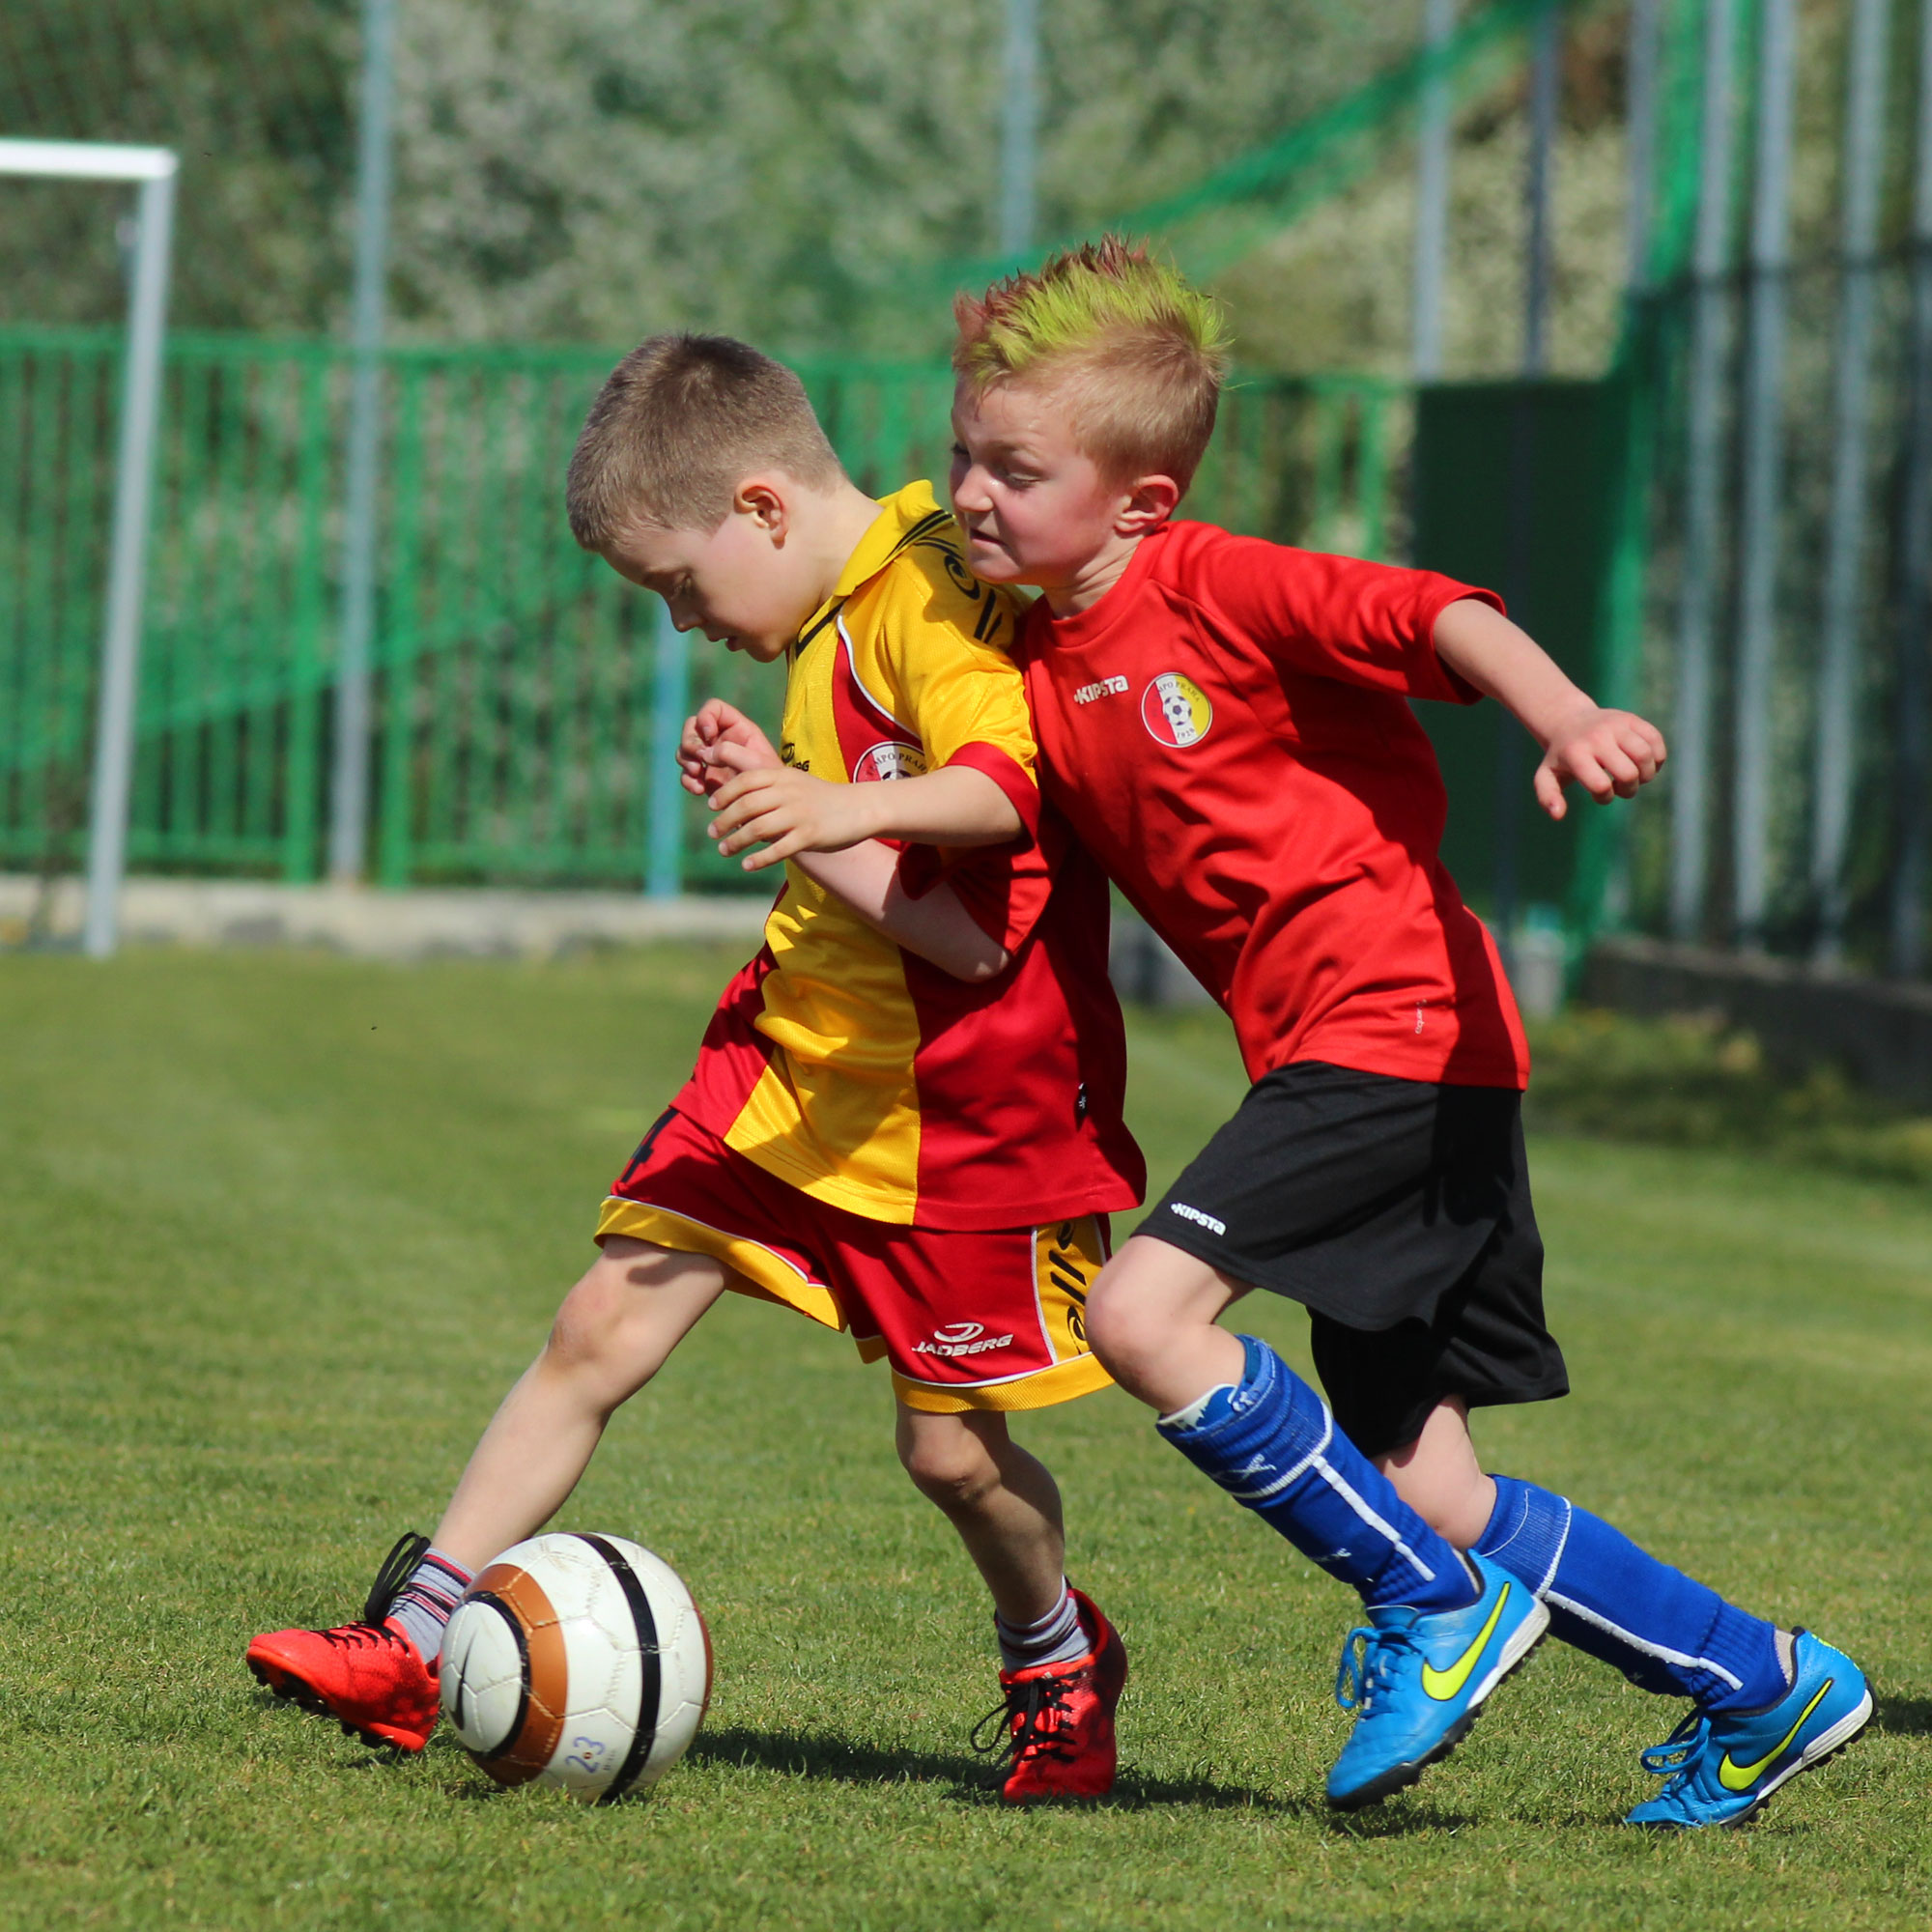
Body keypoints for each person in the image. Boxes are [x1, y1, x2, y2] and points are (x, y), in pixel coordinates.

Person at [932, 237, 1871, 1828]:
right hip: (1415, 1056)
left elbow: (1436, 615)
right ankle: (1767, 1682)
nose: (970, 494)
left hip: (1397, 1029)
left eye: (1014, 471)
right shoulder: (1032, 658)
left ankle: (1430, 1611)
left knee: (1145, 1318)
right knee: (1427, 1484)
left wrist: (1567, 715)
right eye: (963, 453)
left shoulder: (1210, 582)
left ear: (1141, 503)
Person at [246, 332, 1146, 1804]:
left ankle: (1055, 1656)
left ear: (762, 508)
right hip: (788, 1060)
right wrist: (778, 790)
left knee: (952, 1462)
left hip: (961, 1109)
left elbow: (994, 837)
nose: (681, 622)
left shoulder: (931, 596)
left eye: (679, 585)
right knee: (596, 1325)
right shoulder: (826, 621)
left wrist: (813, 811)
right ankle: (411, 1641)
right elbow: (873, 847)